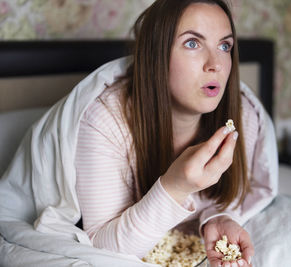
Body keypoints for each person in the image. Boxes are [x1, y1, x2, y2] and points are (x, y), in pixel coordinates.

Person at [74, 0, 278, 266]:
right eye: (193, 43)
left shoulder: (244, 115)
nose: (215, 64)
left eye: (224, 45)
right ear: (155, 55)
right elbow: (103, 248)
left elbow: (239, 194)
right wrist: (175, 187)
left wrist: (217, 219)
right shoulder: (106, 119)